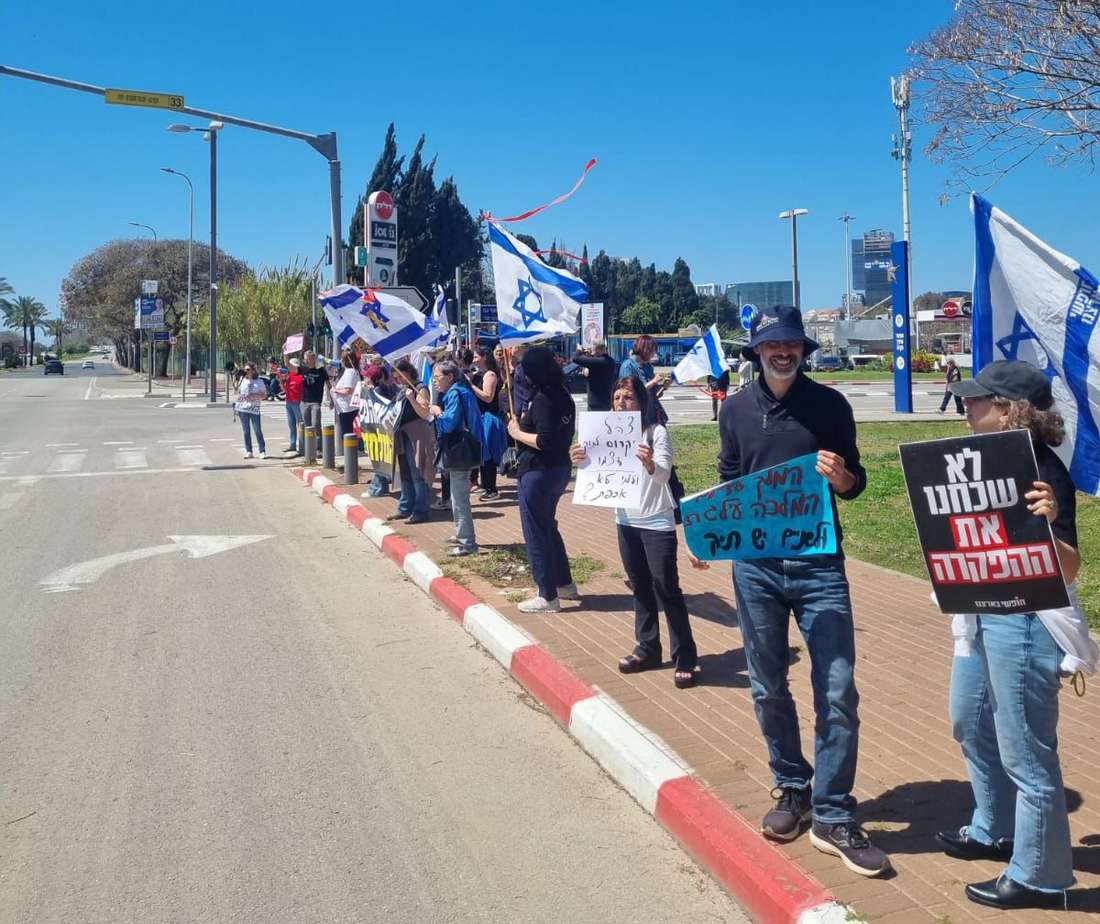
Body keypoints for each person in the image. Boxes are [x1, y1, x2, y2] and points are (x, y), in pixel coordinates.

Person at [717, 305, 889, 877]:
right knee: (768, 686)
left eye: (791, 344)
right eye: (772, 345)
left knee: (837, 688)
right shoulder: (736, 409)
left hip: (819, 567)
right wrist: (711, 531)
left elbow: (856, 482)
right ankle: (793, 787)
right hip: (756, 567)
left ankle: (835, 811)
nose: (783, 352)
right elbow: (729, 480)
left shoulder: (830, 406)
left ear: (802, 350)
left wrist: (841, 478)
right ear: (757, 352)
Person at [934, 360, 1096, 911]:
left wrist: (1050, 524)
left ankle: (1041, 874)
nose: (966, 406)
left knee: (1027, 750)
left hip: (1028, 621)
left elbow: (1071, 569)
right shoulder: (975, 466)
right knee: (969, 720)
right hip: (981, 614)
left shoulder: (1044, 471)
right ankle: (995, 826)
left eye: (976, 400)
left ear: (1008, 410)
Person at [569, 376, 698, 687]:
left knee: (666, 587)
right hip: (625, 520)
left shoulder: (656, 433)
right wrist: (579, 459)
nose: (620, 403)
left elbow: (664, 474)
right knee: (639, 585)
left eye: (627, 398)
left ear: (641, 402)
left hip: (655, 520)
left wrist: (651, 464)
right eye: (616, 397)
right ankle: (648, 648)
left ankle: (685, 656)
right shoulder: (604, 434)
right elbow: (594, 471)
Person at [506, 346, 577, 613]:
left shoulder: (544, 398)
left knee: (536, 531)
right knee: (548, 527)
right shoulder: (562, 394)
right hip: (558, 470)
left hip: (539, 471)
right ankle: (564, 583)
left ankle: (546, 595)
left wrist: (516, 431)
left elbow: (545, 440)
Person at [430, 359, 481, 556]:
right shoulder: (460, 390)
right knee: (456, 496)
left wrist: (437, 412)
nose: (434, 382)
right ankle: (461, 534)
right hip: (464, 448)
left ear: (450, 377)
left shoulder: (455, 393)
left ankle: (468, 543)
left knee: (459, 498)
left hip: (460, 449)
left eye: (437, 378)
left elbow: (449, 423)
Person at [387, 358, 435, 525]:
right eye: (395, 378)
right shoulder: (403, 390)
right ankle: (405, 507)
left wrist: (412, 399)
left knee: (418, 473)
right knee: (405, 474)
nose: (398, 381)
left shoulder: (420, 389)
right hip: (403, 435)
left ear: (407, 373)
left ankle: (421, 510)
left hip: (416, 435)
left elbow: (424, 413)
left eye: (399, 377)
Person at [467, 346, 506, 500]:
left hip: (489, 417)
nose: (474, 359)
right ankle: (487, 486)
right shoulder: (479, 374)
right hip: (481, 417)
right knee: (483, 454)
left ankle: (492, 489)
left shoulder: (490, 375)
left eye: (476, 356)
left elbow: (488, 397)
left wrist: (471, 386)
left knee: (488, 454)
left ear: (484, 357)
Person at [619, 335, 669, 424]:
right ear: (644, 350)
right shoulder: (628, 366)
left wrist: (662, 387)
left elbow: (654, 394)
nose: (654, 354)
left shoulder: (648, 366)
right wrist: (653, 382)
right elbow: (630, 392)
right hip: (636, 416)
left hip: (652, 414)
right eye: (652, 351)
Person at [572, 340, 617, 411]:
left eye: (592, 348)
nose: (591, 350)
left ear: (598, 349)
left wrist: (579, 350)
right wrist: (590, 355)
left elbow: (575, 358)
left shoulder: (598, 362)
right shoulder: (610, 361)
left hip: (595, 403)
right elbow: (593, 366)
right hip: (606, 401)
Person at [235, 363, 267, 459]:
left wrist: (256, 396)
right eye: (245, 369)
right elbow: (236, 391)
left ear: (253, 370)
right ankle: (249, 451)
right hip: (243, 409)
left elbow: (264, 395)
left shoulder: (259, 381)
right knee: (246, 431)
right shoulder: (243, 381)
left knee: (257, 430)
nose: (246, 371)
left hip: (254, 409)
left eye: (248, 369)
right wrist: (237, 379)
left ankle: (262, 451)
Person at [330, 352, 361, 441]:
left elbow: (348, 390)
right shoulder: (352, 371)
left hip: (347, 408)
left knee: (348, 433)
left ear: (345, 360)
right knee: (350, 431)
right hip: (347, 407)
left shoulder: (350, 372)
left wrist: (335, 390)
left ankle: (351, 453)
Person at [300, 351, 331, 437]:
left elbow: (329, 386)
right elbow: (289, 366)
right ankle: (309, 447)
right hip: (304, 402)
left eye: (306, 359)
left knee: (316, 424)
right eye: (304, 359)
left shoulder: (321, 371)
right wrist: (286, 355)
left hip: (316, 402)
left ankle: (318, 446)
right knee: (306, 426)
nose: (305, 360)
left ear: (312, 359)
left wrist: (332, 400)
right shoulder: (302, 370)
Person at [282, 358, 304, 457]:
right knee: (291, 424)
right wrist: (280, 381)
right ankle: (292, 444)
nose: (289, 367)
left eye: (291, 366)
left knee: (300, 424)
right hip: (289, 402)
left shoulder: (300, 377)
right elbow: (285, 389)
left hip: (297, 402)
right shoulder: (289, 376)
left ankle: (303, 445)